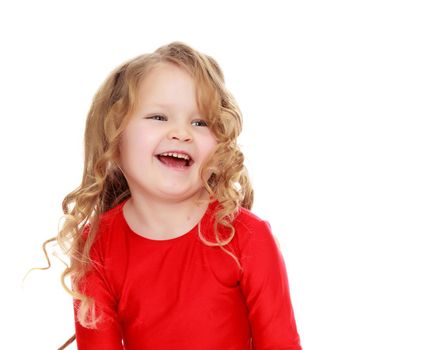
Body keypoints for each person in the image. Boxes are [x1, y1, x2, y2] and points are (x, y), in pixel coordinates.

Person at [44, 42, 301, 349]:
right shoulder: (96, 246)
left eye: (200, 122)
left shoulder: (247, 237)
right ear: (114, 136)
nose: (182, 132)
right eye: (158, 117)